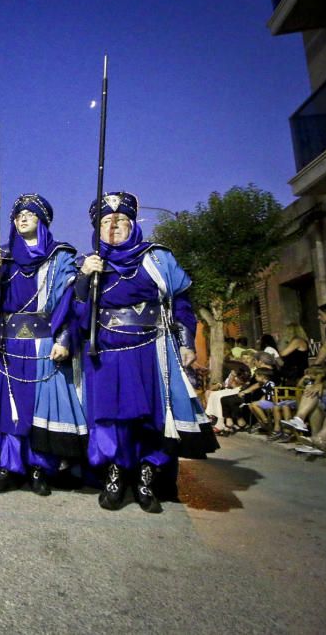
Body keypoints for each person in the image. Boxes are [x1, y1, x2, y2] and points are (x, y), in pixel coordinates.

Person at [74, 192, 217, 513]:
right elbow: (76, 313)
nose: (113, 228)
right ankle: (113, 475)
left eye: (120, 221)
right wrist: (85, 278)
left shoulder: (157, 259)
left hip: (151, 351)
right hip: (105, 353)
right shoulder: (87, 263)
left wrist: (186, 343)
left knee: (151, 418)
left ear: (133, 225)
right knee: (111, 419)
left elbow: (180, 304)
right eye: (106, 223)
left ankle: (146, 476)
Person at [0, 194, 86, 494]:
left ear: (42, 220)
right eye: (18, 214)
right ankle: (9, 466)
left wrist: (64, 338)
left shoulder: (60, 257)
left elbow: (70, 302)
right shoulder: (3, 258)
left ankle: (40, 468)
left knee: (40, 406)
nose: (22, 218)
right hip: (9, 344)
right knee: (9, 407)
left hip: (44, 342)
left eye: (30, 214)